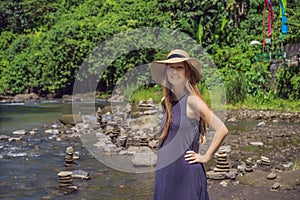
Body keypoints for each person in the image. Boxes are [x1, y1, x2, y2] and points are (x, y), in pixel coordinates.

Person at [150, 49, 228, 200]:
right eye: (171, 67)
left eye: (180, 67)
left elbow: (222, 129)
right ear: (166, 72)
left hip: (185, 174)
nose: (175, 71)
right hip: (165, 173)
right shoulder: (165, 102)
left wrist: (205, 157)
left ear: (187, 72)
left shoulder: (192, 101)